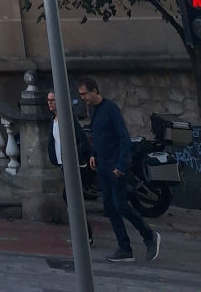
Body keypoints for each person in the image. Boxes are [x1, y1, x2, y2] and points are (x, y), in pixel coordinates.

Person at [77, 76, 160, 264]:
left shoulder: (110, 109)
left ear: (94, 91)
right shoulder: (93, 110)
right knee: (109, 207)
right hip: (103, 166)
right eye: (80, 95)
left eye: (84, 94)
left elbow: (123, 137)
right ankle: (124, 248)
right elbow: (98, 134)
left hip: (116, 167)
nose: (82, 98)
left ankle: (149, 235)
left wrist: (122, 165)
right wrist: (93, 154)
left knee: (120, 204)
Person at [46, 90, 93, 245]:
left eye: (53, 100)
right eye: (48, 100)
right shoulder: (53, 121)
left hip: (76, 165)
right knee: (71, 198)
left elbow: (84, 142)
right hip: (63, 165)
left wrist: (71, 155)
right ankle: (82, 234)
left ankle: (85, 235)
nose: (50, 103)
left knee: (71, 197)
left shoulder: (69, 120)